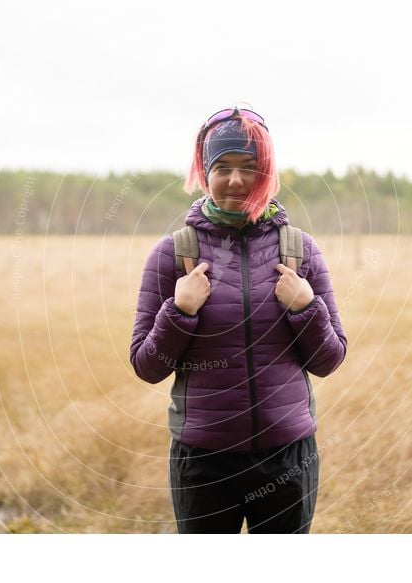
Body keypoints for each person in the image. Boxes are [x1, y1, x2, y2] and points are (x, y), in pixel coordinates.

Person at [129, 106, 347, 533]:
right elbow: (146, 365)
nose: (235, 180)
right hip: (203, 463)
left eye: (249, 167)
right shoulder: (173, 254)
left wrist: (306, 308)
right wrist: (180, 311)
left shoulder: (300, 251)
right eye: (222, 167)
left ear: (266, 172)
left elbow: (329, 359)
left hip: (288, 458)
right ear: (204, 172)